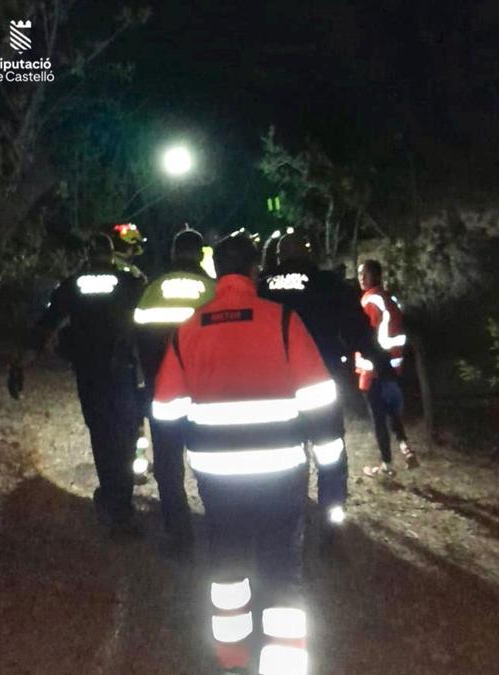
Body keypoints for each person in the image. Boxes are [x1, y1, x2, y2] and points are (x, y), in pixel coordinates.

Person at [153, 232, 341, 675]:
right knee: (281, 573)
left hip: (218, 479)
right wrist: (332, 483)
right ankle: (283, 665)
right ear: (255, 272)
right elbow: (320, 403)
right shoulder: (283, 321)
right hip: (281, 475)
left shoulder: (189, 329)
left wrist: (171, 483)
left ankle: (232, 658)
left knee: (227, 570)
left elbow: (165, 412)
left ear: (216, 272)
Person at [258, 231, 394, 527]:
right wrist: (382, 364)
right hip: (321, 382)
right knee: (329, 449)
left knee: (284, 449)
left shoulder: (262, 286)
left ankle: (288, 507)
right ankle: (332, 511)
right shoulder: (327, 284)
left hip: (276, 387)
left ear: (279, 257)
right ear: (309, 254)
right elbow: (357, 329)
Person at [29, 229, 146, 539]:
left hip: (89, 373)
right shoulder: (129, 283)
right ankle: (121, 502)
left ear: (87, 255)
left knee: (102, 435)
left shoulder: (74, 284)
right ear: (111, 256)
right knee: (124, 435)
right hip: (121, 371)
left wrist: (25, 357)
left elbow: (48, 322)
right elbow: (145, 324)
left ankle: (112, 498)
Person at [134, 228, 215, 553]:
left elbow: (137, 341)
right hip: (206, 394)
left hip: (163, 391)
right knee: (210, 460)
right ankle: (218, 526)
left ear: (173, 253)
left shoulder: (153, 290)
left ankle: (179, 536)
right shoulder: (214, 291)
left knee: (168, 466)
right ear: (200, 254)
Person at [356, 259, 418, 477]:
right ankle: (405, 447)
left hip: (374, 368)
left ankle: (386, 465)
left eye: (365, 274)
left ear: (376, 276)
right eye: (359, 274)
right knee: (391, 410)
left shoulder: (369, 300)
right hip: (393, 366)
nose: (361, 278)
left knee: (378, 417)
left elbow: (365, 335)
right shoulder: (390, 298)